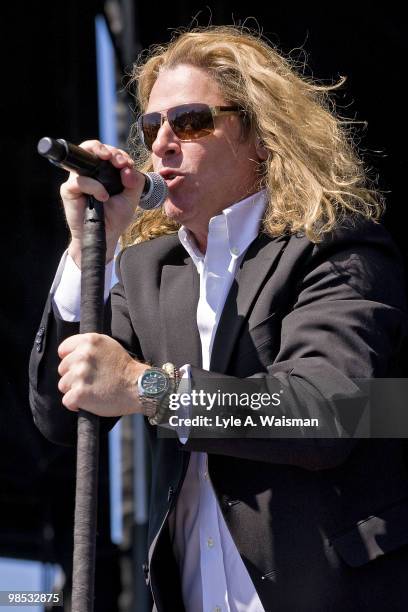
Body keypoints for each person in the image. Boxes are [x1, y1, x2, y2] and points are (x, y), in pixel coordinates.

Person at [29, 25, 408, 612]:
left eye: (191, 121)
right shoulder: (149, 269)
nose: (162, 145)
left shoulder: (333, 249)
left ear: (260, 135)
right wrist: (87, 252)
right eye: (153, 127)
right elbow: (61, 415)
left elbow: (329, 412)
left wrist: (147, 388)